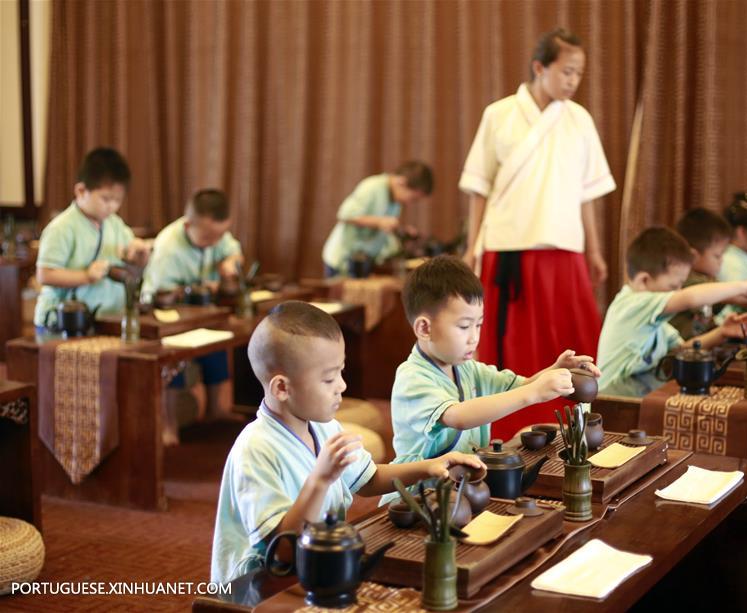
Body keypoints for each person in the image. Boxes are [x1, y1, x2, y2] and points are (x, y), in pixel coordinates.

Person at [211, 300, 484, 583]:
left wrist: (429, 466)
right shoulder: (255, 449)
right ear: (282, 387)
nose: (342, 385)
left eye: (340, 371)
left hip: (315, 566)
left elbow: (369, 480)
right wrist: (320, 480)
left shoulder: (323, 426)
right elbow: (284, 550)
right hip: (259, 587)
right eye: (329, 379)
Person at [458, 28, 615, 440]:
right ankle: (505, 427)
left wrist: (594, 251)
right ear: (539, 67)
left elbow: (587, 195)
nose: (573, 81)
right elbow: (479, 188)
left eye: (579, 73)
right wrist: (472, 248)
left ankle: (576, 426)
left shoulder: (579, 120)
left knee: (573, 338)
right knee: (510, 346)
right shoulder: (499, 114)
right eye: (566, 71)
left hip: (564, 247)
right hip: (508, 246)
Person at [385, 255, 599, 503]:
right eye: (464, 326)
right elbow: (458, 416)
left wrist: (554, 370)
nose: (474, 337)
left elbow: (521, 385)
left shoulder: (467, 369)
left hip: (465, 493)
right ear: (424, 328)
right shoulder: (412, 378)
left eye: (478, 325)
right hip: (419, 500)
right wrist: (533, 394)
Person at [596, 227, 747, 397]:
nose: (677, 292)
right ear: (644, 280)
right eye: (673, 286)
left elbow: (683, 349)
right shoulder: (631, 305)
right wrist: (743, 286)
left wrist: (721, 333)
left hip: (638, 398)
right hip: (610, 402)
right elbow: (690, 298)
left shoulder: (654, 321)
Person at [142, 189, 244, 445]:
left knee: (216, 344)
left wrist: (231, 262)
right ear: (188, 226)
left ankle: (215, 411)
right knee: (174, 354)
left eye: (220, 235)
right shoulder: (169, 248)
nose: (215, 241)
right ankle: (168, 425)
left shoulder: (216, 233)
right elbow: (162, 294)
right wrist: (196, 289)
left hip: (201, 311)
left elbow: (234, 252)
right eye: (209, 237)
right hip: (167, 314)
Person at [34, 147, 150, 330]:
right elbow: (45, 274)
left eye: (118, 200)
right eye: (106, 199)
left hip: (105, 318)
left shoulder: (115, 224)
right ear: (81, 191)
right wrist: (86, 276)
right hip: (64, 322)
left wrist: (140, 255)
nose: (112, 206)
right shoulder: (62, 227)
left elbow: (133, 261)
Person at [321, 161, 433, 277]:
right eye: (413, 198)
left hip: (364, 260)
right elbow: (345, 214)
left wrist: (401, 230)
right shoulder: (372, 186)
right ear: (401, 182)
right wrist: (380, 221)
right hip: (343, 261)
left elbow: (382, 225)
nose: (410, 203)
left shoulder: (395, 200)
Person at [669, 208, 733, 339]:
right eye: (717, 256)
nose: (721, 261)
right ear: (693, 256)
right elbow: (729, 295)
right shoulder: (687, 281)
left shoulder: (705, 278)